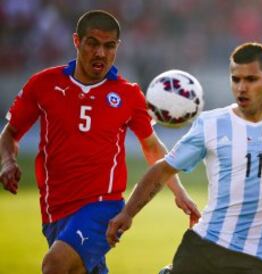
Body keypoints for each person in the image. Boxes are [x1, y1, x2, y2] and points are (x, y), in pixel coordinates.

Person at [0, 10, 200, 274]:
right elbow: (9, 133)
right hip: (54, 210)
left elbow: (152, 147)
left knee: (55, 265)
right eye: (93, 43)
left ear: (118, 47)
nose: (101, 53)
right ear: (77, 41)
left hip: (103, 207)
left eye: (109, 46)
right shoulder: (44, 84)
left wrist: (180, 192)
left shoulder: (127, 94)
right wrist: (7, 161)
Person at [106, 42, 262, 274]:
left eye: (251, 79)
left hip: (259, 259)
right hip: (204, 246)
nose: (241, 88)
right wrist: (128, 212)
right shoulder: (211, 124)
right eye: (236, 79)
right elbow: (163, 169)